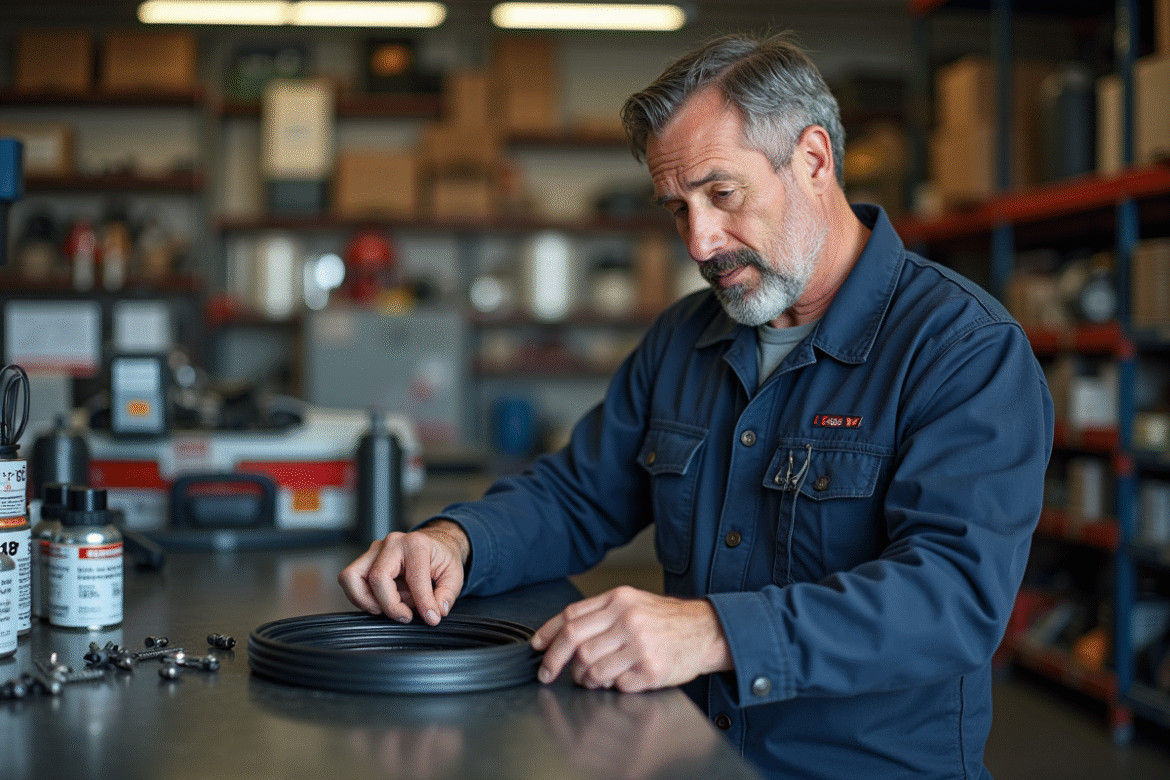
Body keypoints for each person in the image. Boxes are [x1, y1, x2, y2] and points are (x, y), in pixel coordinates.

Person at [340, 31, 1055, 779]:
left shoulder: (963, 351)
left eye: (722, 193)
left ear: (813, 160)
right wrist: (457, 541)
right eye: (677, 209)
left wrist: (716, 633)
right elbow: (579, 494)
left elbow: (952, 597)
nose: (700, 242)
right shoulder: (685, 338)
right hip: (690, 754)